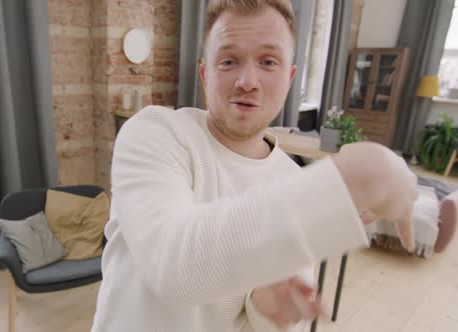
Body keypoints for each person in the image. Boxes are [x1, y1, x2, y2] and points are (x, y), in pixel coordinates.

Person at [91, 0, 417, 331]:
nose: (248, 80)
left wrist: (264, 308)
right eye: (229, 61)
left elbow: (278, 319)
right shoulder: (155, 133)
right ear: (206, 75)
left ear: (290, 78)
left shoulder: (293, 182)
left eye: (268, 62)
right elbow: (173, 269)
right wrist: (356, 177)